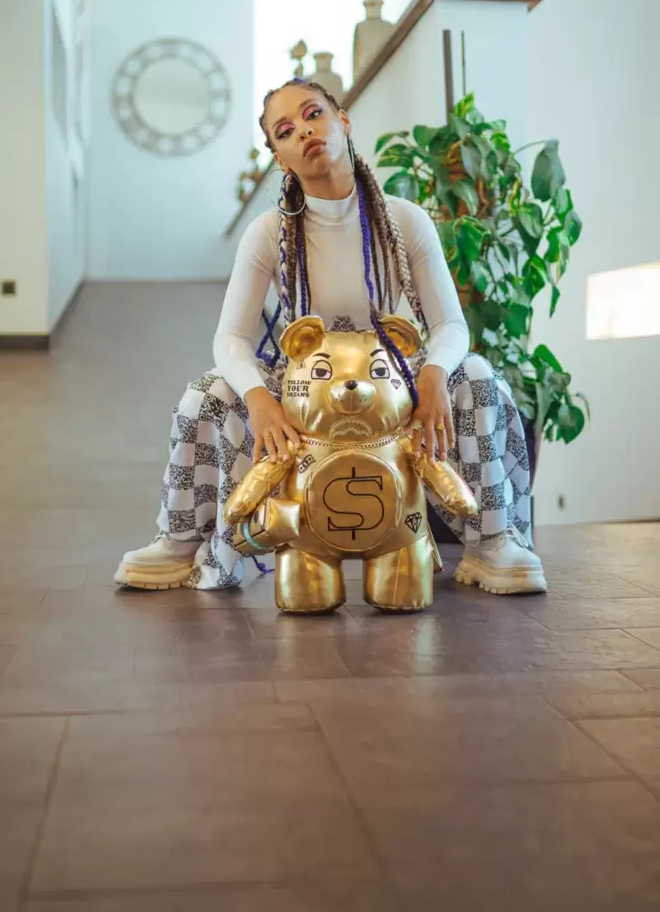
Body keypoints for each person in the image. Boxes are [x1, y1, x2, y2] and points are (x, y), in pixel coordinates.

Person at [115, 79, 546, 595]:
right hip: (305, 384)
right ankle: (181, 542)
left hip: (391, 377)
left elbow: (451, 325)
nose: (304, 131)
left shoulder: (405, 220)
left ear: (343, 120)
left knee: (474, 375)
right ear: (280, 159)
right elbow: (230, 338)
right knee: (206, 394)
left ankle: (492, 542)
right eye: (285, 131)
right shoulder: (268, 232)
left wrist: (433, 373)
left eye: (313, 114)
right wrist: (257, 399)